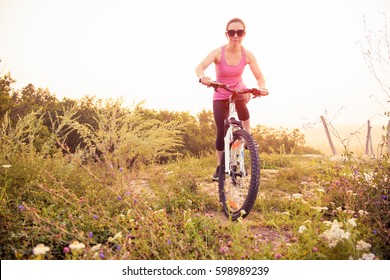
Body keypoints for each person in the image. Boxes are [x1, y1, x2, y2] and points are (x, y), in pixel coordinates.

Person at [195, 17, 267, 181]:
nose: (235, 36)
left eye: (239, 32)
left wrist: (260, 87)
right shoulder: (217, 53)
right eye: (232, 32)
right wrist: (203, 77)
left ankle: (247, 137)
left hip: (238, 91)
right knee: (221, 131)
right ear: (226, 34)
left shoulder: (247, 55)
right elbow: (199, 67)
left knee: (241, 101)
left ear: (244, 34)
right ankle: (220, 167)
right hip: (220, 93)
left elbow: (260, 77)